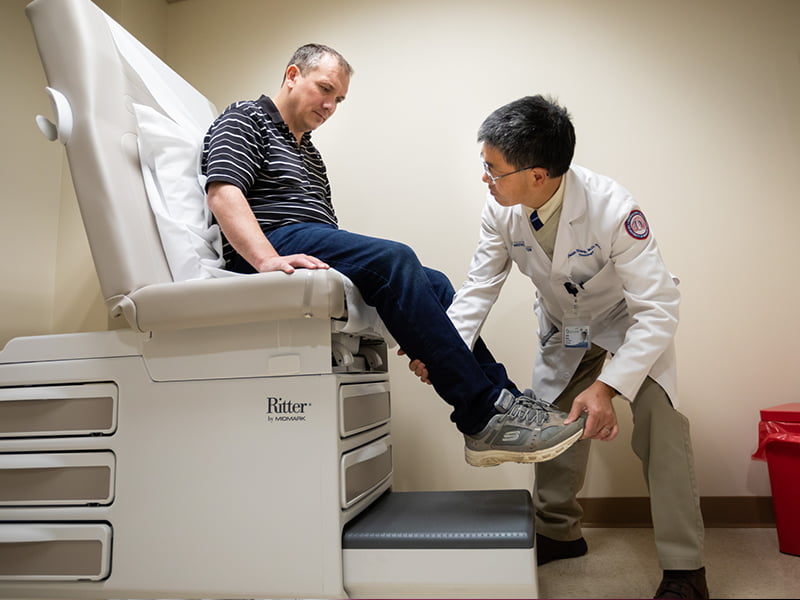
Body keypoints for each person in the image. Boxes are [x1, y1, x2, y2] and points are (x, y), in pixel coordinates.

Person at [200, 44, 585, 466]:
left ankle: (505, 401)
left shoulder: (308, 152)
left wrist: (426, 334)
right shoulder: (246, 118)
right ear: (292, 75)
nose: (330, 106)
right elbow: (223, 192)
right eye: (324, 90)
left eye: (339, 100)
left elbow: (328, 235)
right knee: (394, 258)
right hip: (272, 242)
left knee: (432, 283)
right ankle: (481, 417)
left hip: (307, 244)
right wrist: (264, 260)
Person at [416, 95, 707, 599]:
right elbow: (479, 286)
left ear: (538, 174)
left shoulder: (614, 209)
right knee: (550, 423)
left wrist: (608, 388)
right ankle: (558, 533)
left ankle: (686, 569)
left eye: (493, 169)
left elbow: (659, 308)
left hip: (628, 323)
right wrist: (443, 350)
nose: (485, 178)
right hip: (564, 327)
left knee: (661, 423)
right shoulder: (501, 210)